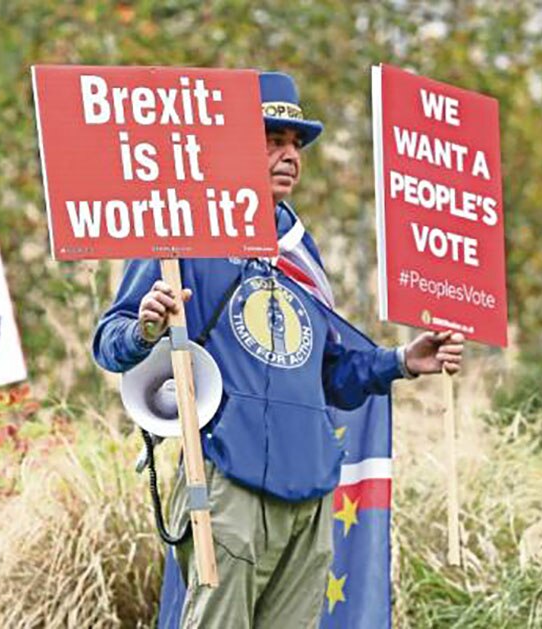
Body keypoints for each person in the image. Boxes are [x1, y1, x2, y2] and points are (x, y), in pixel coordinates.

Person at [92, 71, 465, 627]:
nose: (289, 154)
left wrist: (402, 362)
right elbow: (108, 341)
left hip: (311, 494)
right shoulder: (186, 233)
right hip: (227, 482)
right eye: (272, 139)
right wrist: (145, 328)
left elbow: (331, 376)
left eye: (295, 144)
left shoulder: (301, 250)